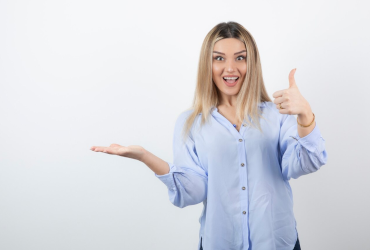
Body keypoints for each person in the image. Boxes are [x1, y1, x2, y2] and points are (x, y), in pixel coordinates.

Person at [90, 21, 328, 250]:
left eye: (240, 57)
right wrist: (144, 156)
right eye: (219, 58)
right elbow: (194, 190)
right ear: (208, 64)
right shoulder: (190, 123)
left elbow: (302, 164)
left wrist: (305, 115)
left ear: (251, 62)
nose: (230, 68)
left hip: (277, 243)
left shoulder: (279, 114)